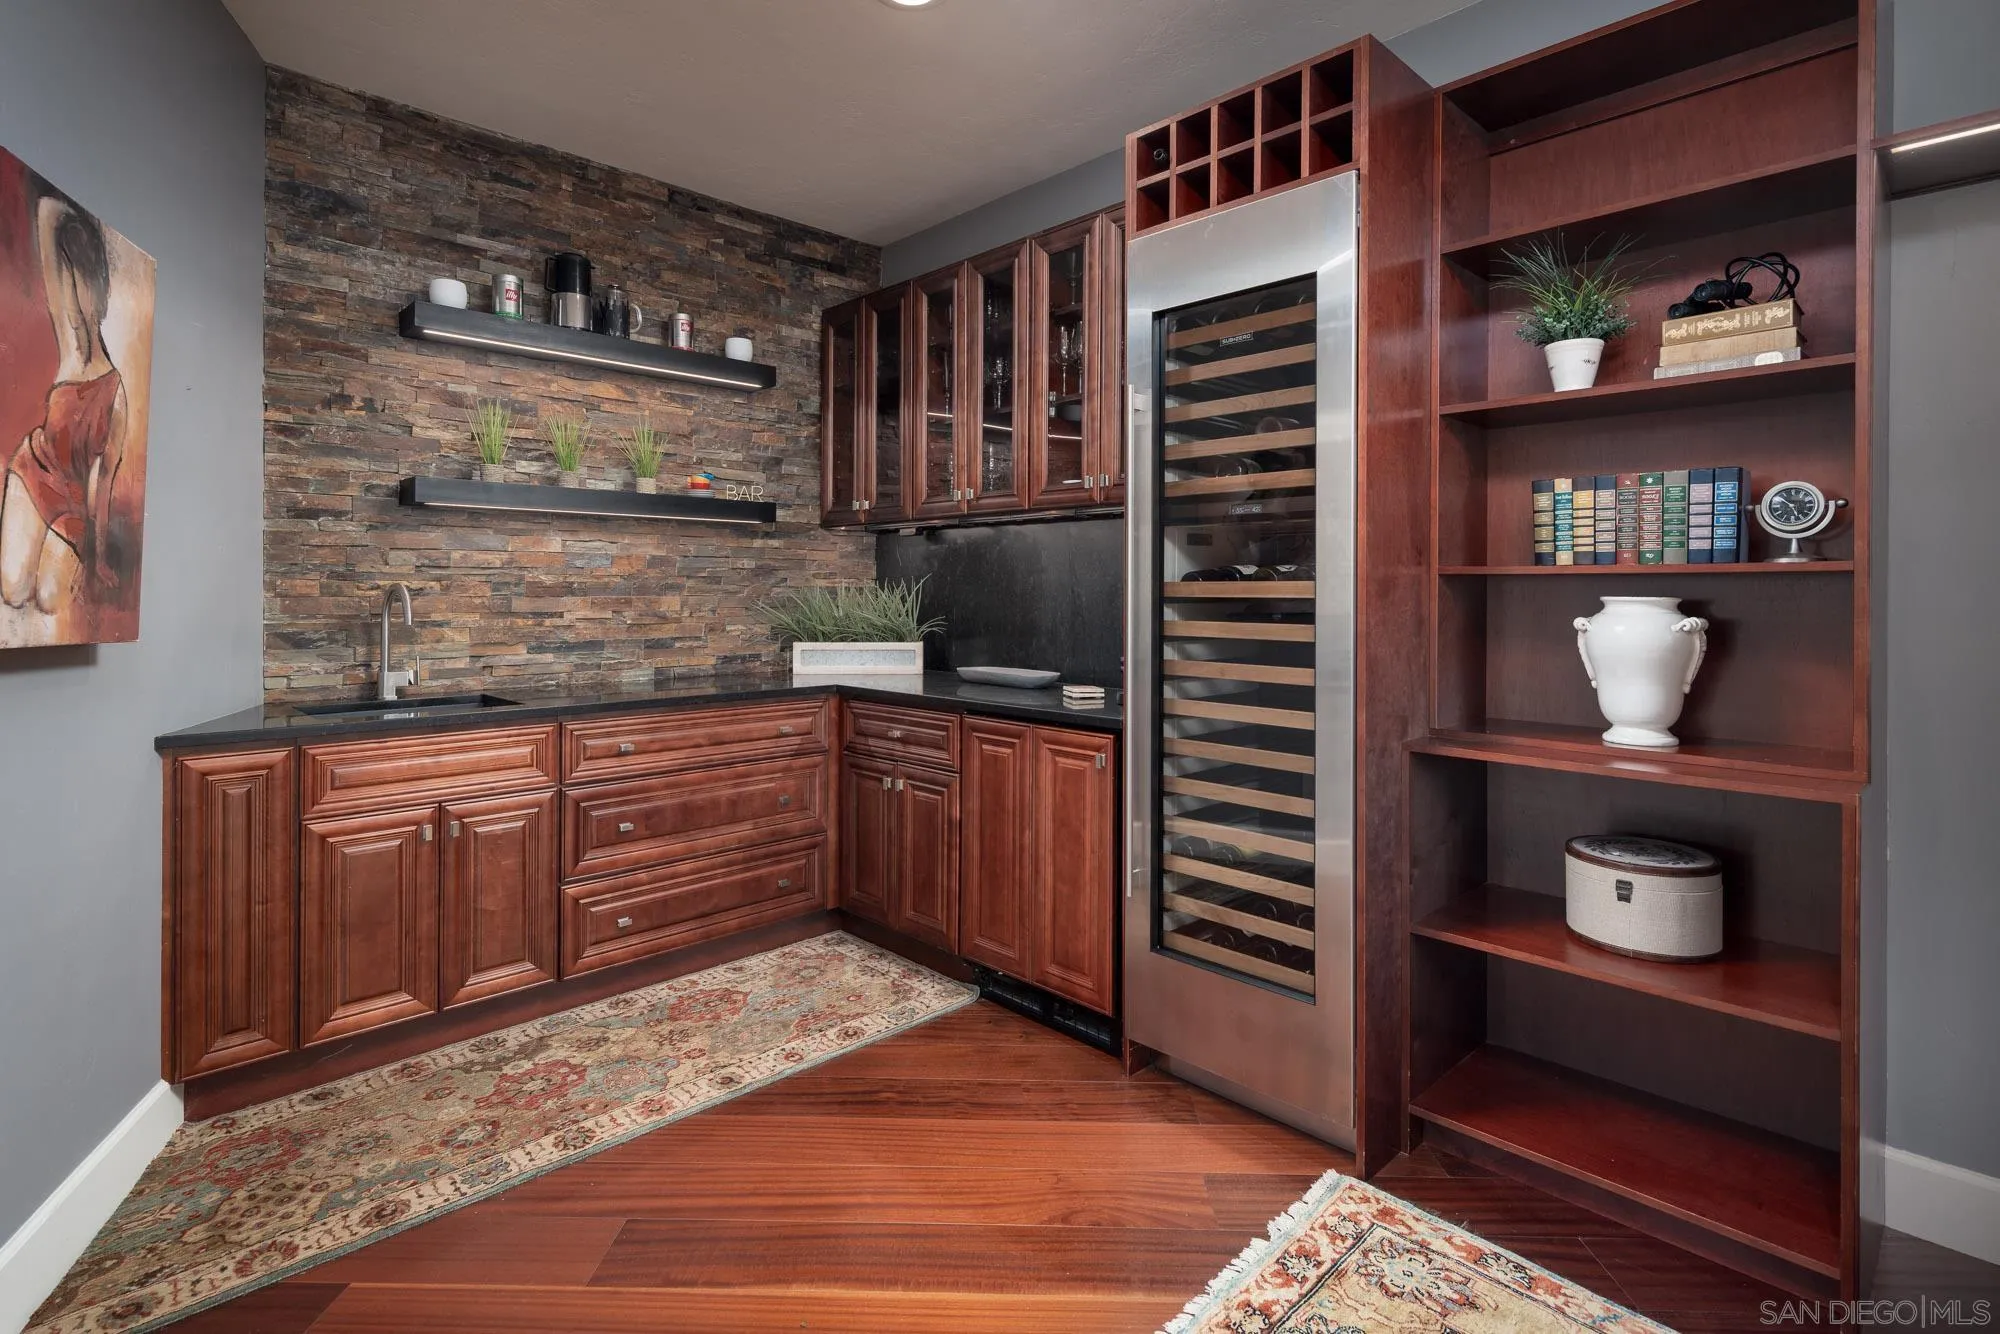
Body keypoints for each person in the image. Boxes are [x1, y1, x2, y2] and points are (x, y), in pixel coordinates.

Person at [0, 187, 132, 635]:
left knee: (50, 602)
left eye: (82, 281)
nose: (73, 293)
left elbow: (105, 484)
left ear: (98, 294)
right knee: (13, 592)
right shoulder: (69, 350)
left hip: (72, 502)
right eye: (70, 277)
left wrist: (96, 559)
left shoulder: (115, 392)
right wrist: (86, 230)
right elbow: (46, 212)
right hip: (34, 468)